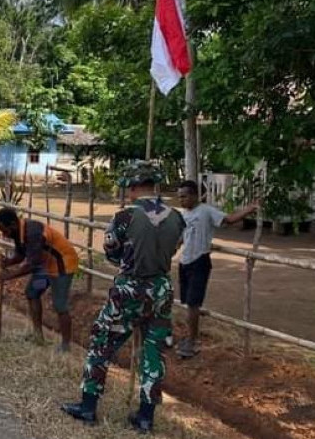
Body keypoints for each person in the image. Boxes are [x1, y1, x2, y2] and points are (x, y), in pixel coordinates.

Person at [62, 161, 185, 434]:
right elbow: (176, 247)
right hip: (162, 289)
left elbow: (111, 252)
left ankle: (88, 406)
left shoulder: (124, 217)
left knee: (102, 342)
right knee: (154, 353)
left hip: (130, 288)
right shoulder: (177, 216)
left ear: (132, 186)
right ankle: (145, 417)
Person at [176, 180, 259, 358]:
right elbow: (183, 236)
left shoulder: (206, 211)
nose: (181, 200)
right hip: (185, 261)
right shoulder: (183, 214)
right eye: (179, 197)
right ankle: (190, 336)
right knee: (187, 303)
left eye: (183, 196)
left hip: (199, 261)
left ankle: (192, 341)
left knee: (193, 303)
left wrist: (250, 208)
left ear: (194, 196)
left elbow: (228, 219)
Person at [0, 208, 78, 353]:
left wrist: (9, 276)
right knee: (32, 292)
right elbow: (21, 256)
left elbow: (31, 265)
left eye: (5, 231)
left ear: (13, 225)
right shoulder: (18, 233)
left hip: (62, 264)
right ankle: (38, 336)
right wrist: (8, 262)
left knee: (59, 305)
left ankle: (65, 346)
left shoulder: (32, 233)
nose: (4, 235)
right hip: (46, 264)